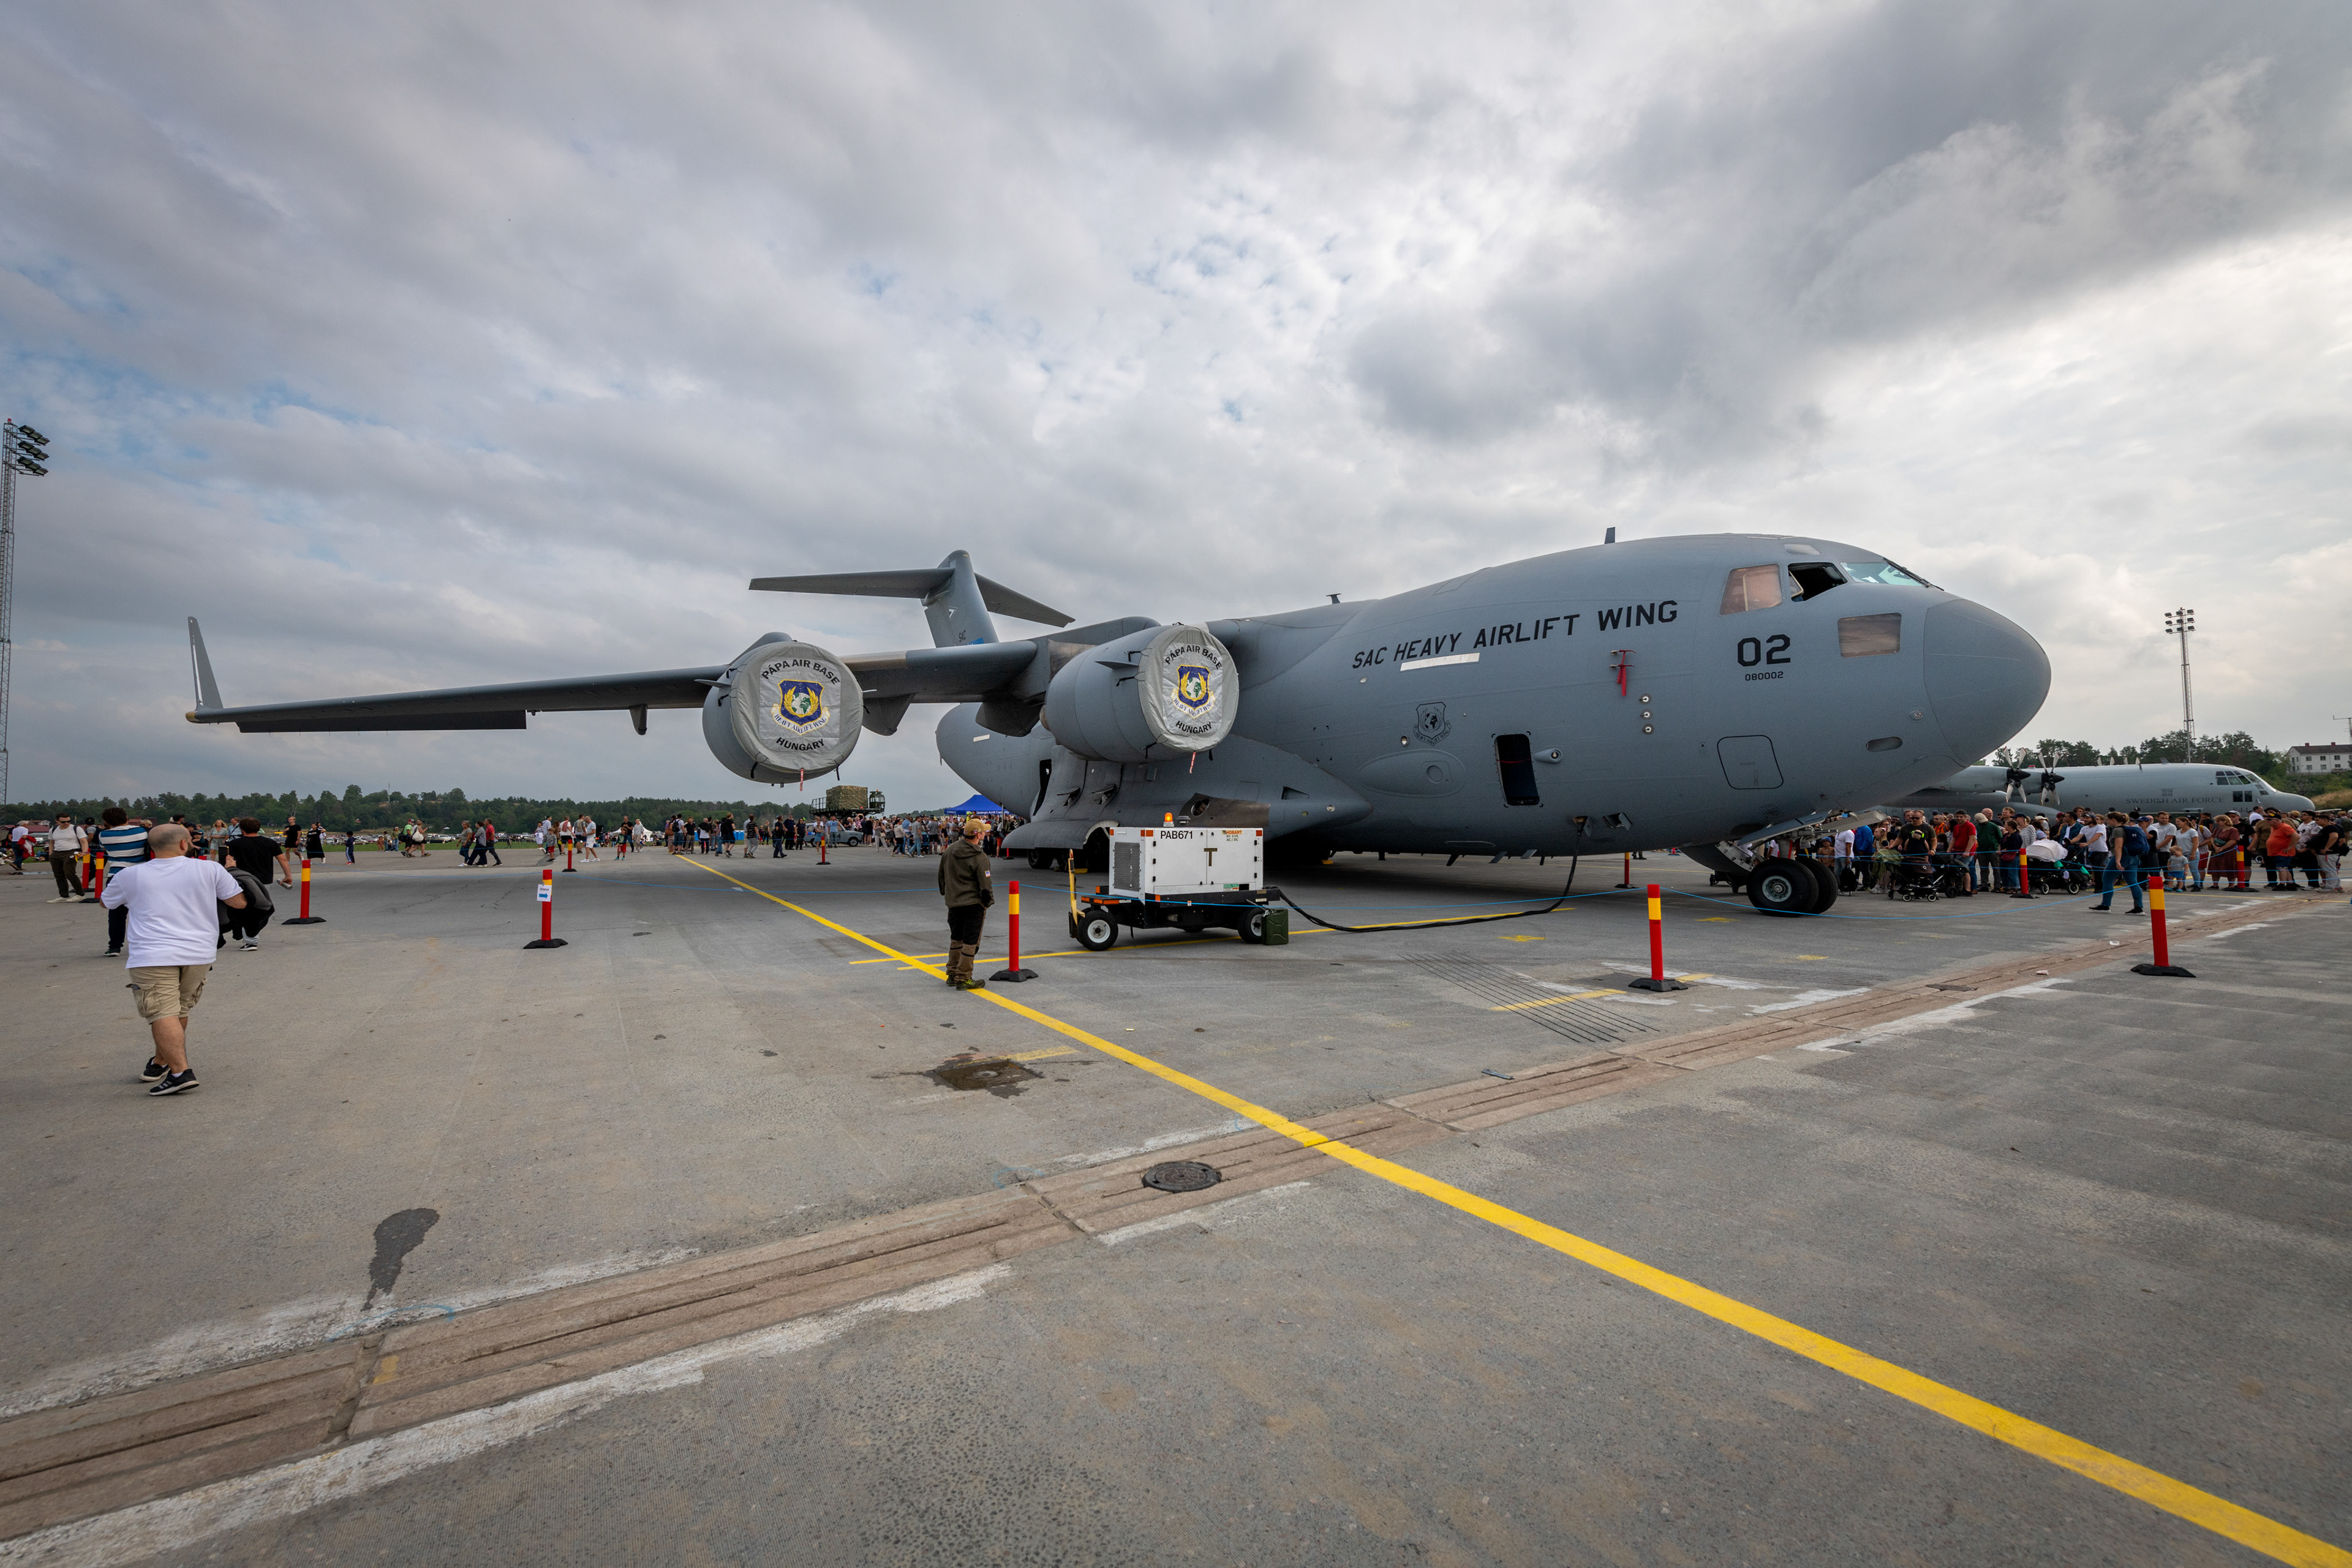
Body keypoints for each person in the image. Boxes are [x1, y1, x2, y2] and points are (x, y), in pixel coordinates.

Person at [101, 823, 247, 1096]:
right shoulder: (210, 869)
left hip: (152, 954)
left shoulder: (130, 875)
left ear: (151, 847)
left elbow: (107, 903)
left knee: (161, 1011)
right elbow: (238, 902)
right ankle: (160, 1061)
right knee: (177, 1010)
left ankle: (181, 1073)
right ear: (184, 844)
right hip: (199, 952)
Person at [937, 816, 995, 990]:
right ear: (978, 835)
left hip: (954, 904)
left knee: (956, 939)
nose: (985, 833)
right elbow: (985, 885)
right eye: (983, 831)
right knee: (971, 942)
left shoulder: (950, 850)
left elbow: (941, 875)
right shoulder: (979, 857)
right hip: (973, 904)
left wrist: (947, 894)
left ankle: (953, 973)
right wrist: (987, 902)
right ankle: (964, 977)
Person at [221, 818, 293, 949]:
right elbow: (282, 859)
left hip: (242, 880)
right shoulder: (270, 843)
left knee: (241, 908)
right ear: (259, 828)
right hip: (263, 881)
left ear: (242, 829)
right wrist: (288, 875)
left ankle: (247, 936)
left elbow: (229, 862)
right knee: (258, 908)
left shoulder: (235, 844)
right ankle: (250, 938)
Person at [95, 806, 154, 954]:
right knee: (146, 912)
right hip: (142, 874)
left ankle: (115, 946)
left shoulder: (104, 835)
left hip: (117, 875)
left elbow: (105, 849)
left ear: (107, 821)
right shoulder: (141, 831)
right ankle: (147, 943)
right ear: (127, 818)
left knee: (116, 913)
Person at [44, 813, 87, 902]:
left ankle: (80, 894)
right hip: (57, 852)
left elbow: (83, 841)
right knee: (59, 875)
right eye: (64, 822)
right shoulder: (53, 830)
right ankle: (64, 895)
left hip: (71, 851)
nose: (66, 823)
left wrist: (84, 852)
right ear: (57, 821)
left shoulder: (76, 829)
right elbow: (52, 842)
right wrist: (51, 854)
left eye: (68, 821)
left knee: (70, 873)